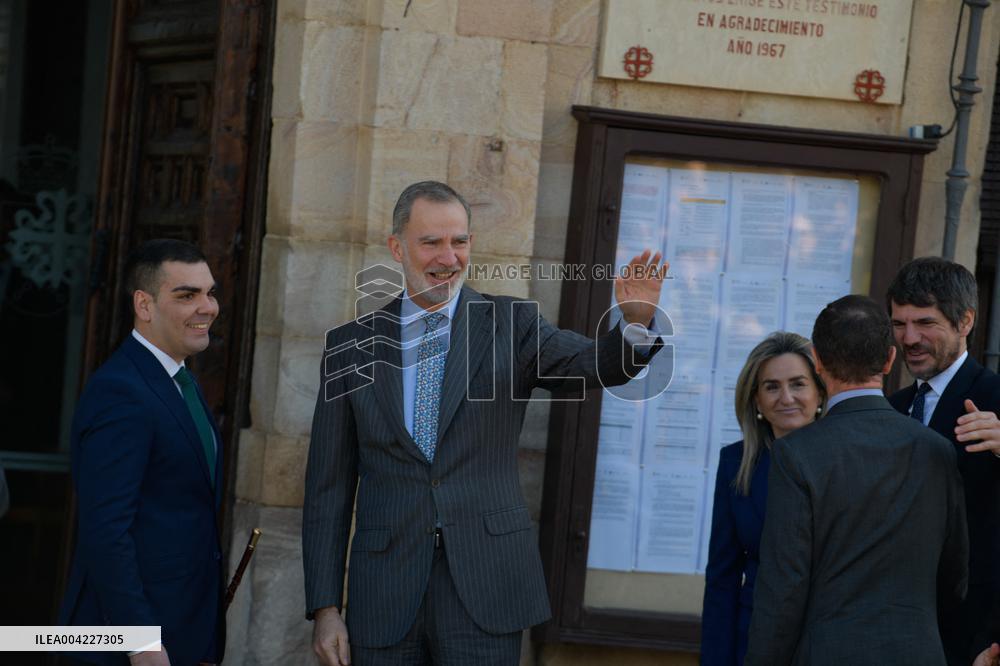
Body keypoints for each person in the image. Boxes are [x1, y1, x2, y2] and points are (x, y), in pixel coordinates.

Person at [303, 180, 666, 666]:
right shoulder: (351, 346)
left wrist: (633, 326)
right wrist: (326, 608)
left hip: (485, 591)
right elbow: (327, 488)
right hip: (384, 596)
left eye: (459, 241)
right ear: (397, 247)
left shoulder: (512, 323)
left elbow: (590, 365)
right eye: (430, 241)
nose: (447, 257)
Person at [744, 295, 968, 666]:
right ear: (889, 359)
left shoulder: (797, 453)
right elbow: (954, 576)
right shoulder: (938, 450)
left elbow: (783, 589)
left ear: (816, 361)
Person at [58, 239, 226, 666]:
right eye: (187, 295)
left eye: (209, 292)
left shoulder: (179, 381)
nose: (207, 307)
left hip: (183, 633)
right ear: (144, 305)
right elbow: (106, 531)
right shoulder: (121, 391)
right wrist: (141, 641)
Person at [887, 257, 1000, 664]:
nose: (909, 338)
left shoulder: (995, 397)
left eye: (925, 323)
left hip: (973, 641)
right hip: (893, 633)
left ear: (965, 321)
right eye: (899, 324)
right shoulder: (892, 408)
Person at [701, 331, 826, 665]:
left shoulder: (846, 459)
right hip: (754, 642)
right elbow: (722, 578)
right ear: (756, 400)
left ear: (820, 392)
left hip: (830, 642)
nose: (786, 397)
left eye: (798, 383)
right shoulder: (736, 463)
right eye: (771, 386)